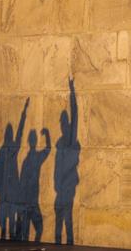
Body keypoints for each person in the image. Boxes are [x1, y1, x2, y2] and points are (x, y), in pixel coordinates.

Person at [0, 98, 29, 240]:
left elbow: (20, 133)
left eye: (10, 133)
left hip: (13, 188)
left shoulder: (14, 148)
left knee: (12, 219)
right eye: (8, 133)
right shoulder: (2, 151)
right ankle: (5, 236)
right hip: (4, 189)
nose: (9, 135)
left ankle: (12, 236)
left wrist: (24, 113)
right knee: (4, 219)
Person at [54, 77, 80, 244]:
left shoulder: (71, 140)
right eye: (61, 122)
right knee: (58, 225)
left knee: (68, 222)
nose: (63, 125)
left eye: (64, 122)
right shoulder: (60, 142)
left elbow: (75, 113)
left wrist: (72, 91)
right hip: (60, 188)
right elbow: (56, 166)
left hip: (68, 188)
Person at [18, 128, 51, 241]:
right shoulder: (31, 159)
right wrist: (47, 135)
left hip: (31, 200)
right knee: (32, 231)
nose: (34, 141)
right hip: (29, 201)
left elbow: (48, 149)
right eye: (33, 139)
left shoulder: (32, 159)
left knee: (32, 231)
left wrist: (47, 135)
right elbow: (22, 183)